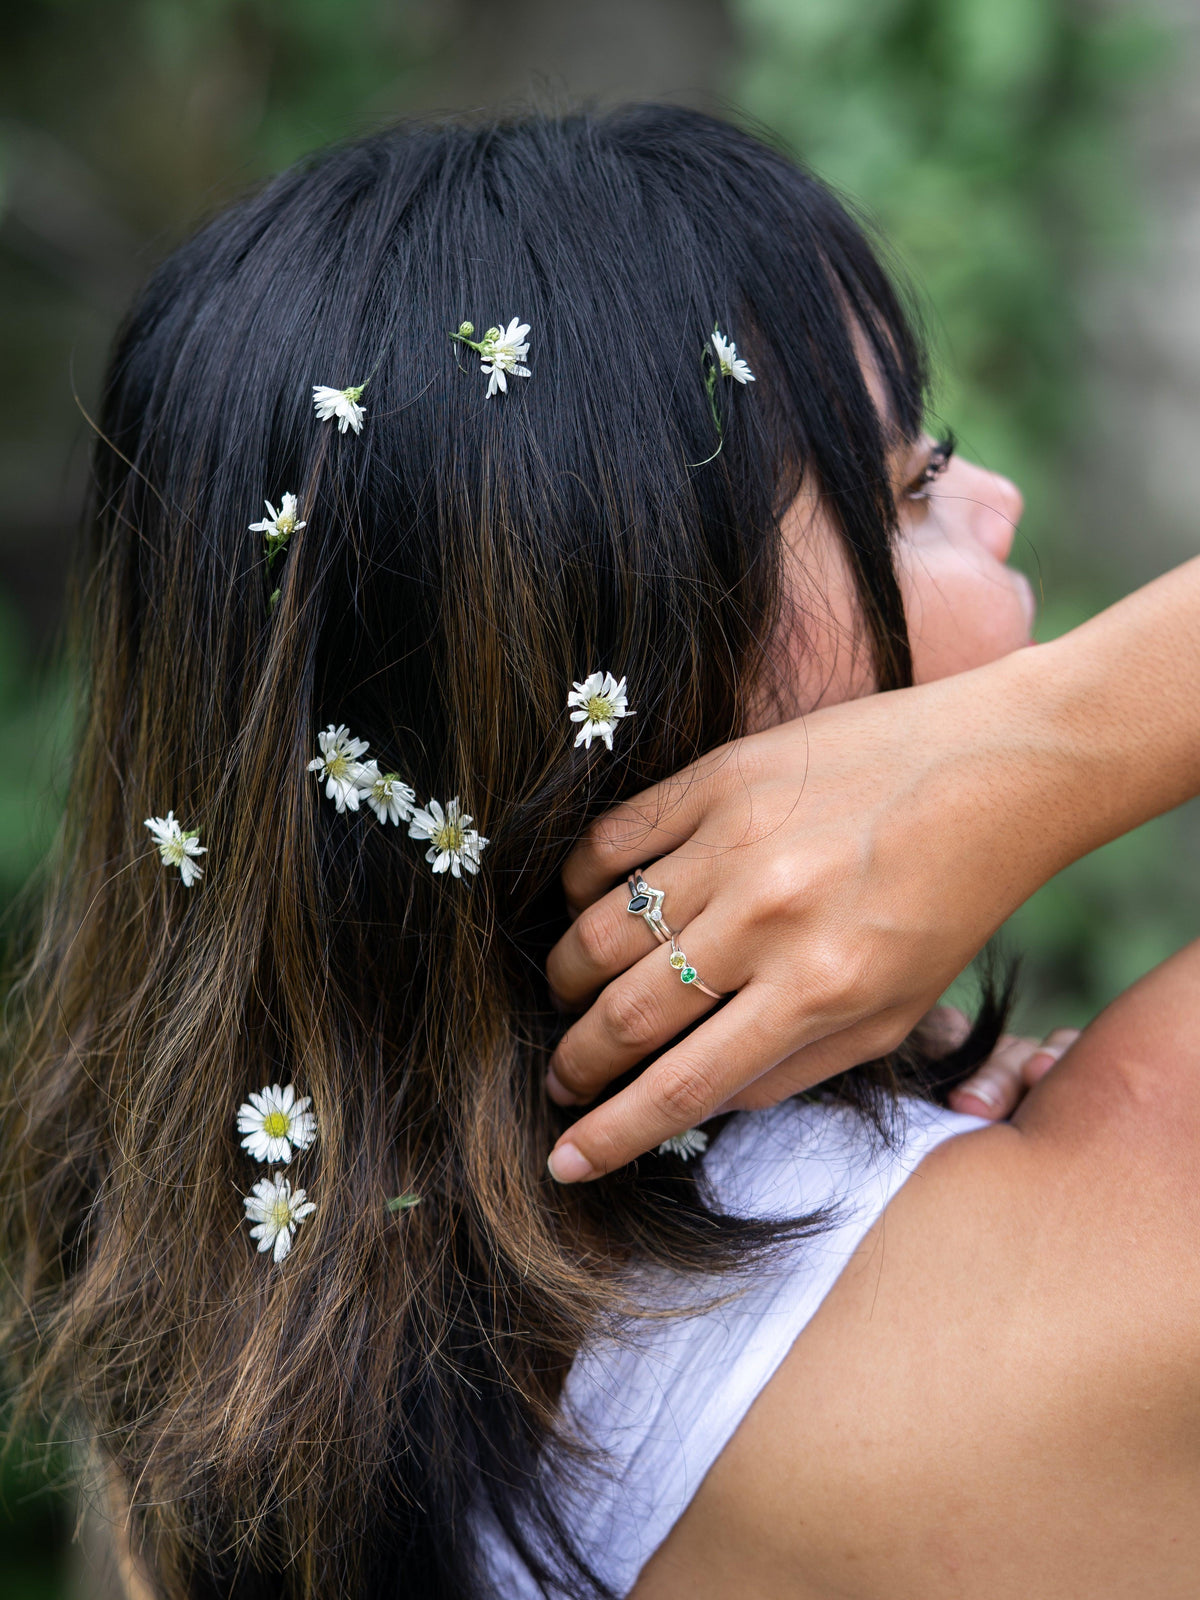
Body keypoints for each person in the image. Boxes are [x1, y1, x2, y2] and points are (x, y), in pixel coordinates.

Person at [2, 104, 1198, 1600]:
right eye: (911, 487)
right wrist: (1068, 742)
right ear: (661, 688)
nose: (996, 499)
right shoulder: (1133, 1210)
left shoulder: (226, 1374)